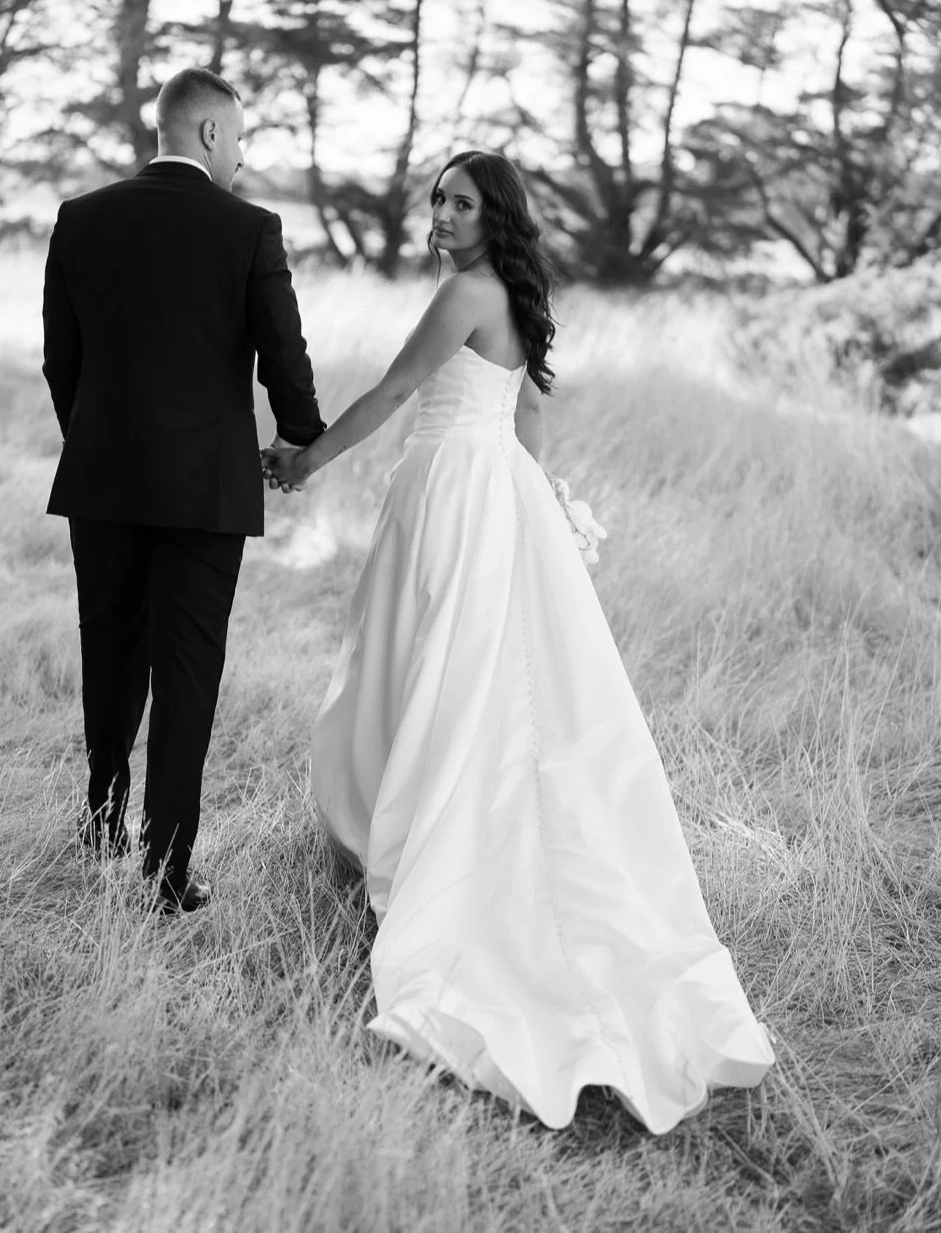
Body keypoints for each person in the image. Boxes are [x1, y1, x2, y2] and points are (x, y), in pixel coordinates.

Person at [262, 150, 774, 1133]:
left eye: (462, 200)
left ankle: (425, 842)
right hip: (488, 494)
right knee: (462, 669)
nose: (444, 213)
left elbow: (394, 392)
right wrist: (540, 508)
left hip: (453, 495)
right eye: (439, 199)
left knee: (432, 668)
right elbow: (530, 417)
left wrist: (306, 460)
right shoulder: (520, 303)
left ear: (495, 215)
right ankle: (414, 816)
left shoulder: (466, 294)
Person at [43, 67, 325, 914]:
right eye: (237, 139)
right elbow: (285, 354)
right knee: (189, 670)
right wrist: (300, 438)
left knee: (111, 648)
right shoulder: (248, 229)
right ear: (208, 133)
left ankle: (103, 818)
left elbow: (63, 357)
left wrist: (94, 440)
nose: (240, 157)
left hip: (104, 478)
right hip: (205, 489)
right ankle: (166, 872)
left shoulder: (81, 218)